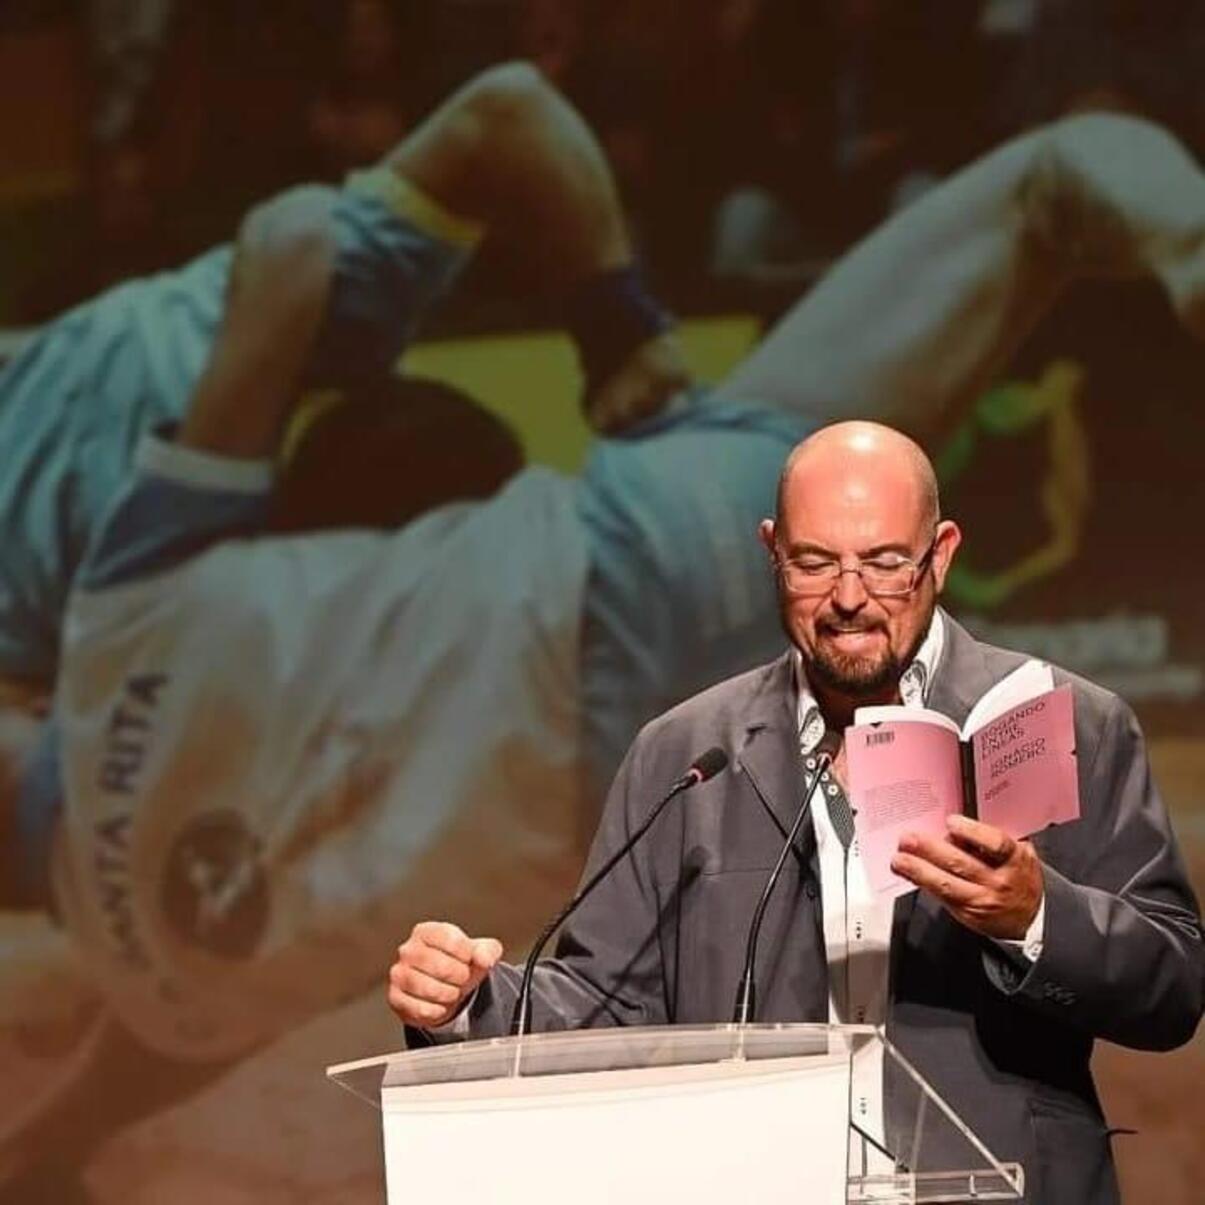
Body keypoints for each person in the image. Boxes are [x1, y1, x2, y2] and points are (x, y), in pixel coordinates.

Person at [9, 81, 1205, 1194]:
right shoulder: (112, 624)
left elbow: (105, 1090)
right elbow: (305, 242)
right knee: (1051, 188)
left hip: (624, 801)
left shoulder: (167, 998)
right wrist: (613, 329)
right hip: (619, 565)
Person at [388, 420, 1204, 1205]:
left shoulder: (1059, 721)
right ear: (771, 552)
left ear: (941, 554)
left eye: (885, 562)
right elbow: (613, 1007)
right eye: (814, 562)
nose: (848, 597)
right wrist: (468, 999)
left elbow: (1171, 984)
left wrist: (1033, 915)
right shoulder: (684, 754)